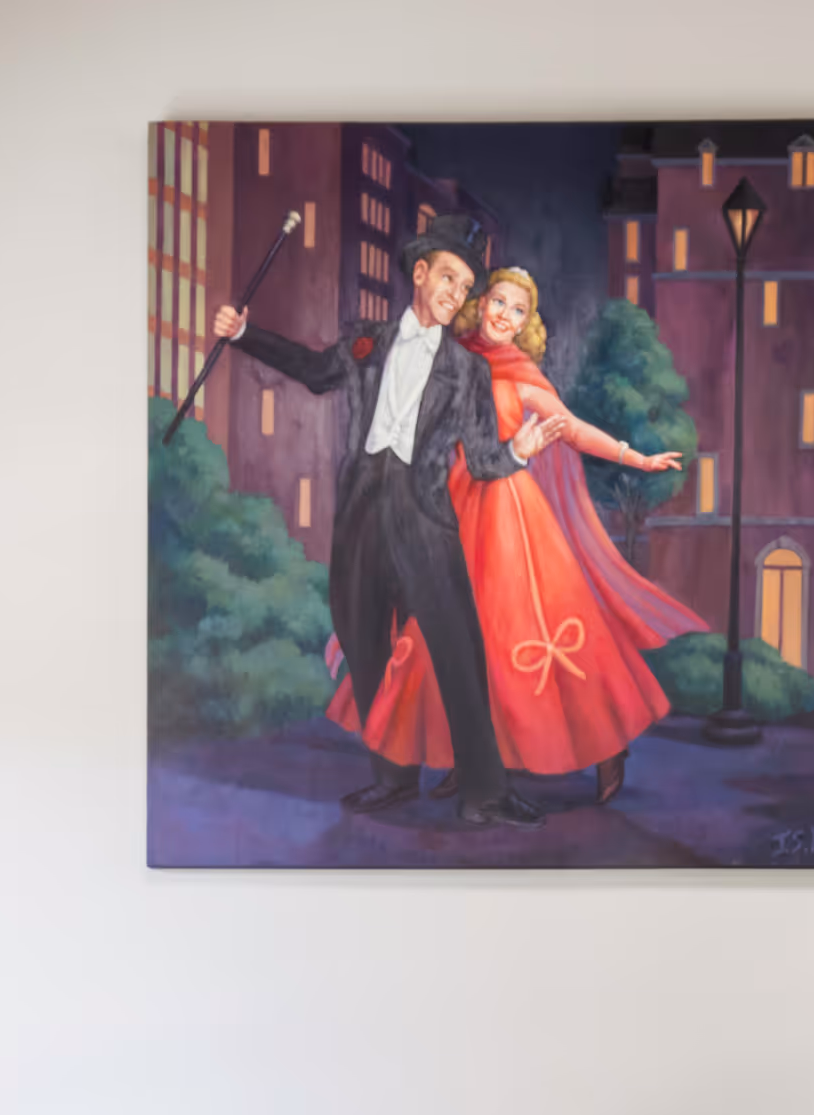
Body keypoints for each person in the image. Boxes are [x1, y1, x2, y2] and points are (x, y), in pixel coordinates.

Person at [213, 217, 564, 829]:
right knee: (363, 639)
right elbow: (313, 370)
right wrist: (245, 334)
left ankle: (485, 791)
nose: (458, 294)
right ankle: (393, 777)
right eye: (449, 278)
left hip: (425, 516)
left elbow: (482, 460)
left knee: (458, 647)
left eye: (466, 286)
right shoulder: (364, 343)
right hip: (361, 511)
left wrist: (519, 452)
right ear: (420, 274)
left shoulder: (468, 371)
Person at [327, 265, 707, 806]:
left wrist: (633, 456)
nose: (505, 315)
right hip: (446, 507)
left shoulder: (519, 371)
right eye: (498, 302)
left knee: (520, 630)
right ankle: (470, 757)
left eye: (518, 309)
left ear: (528, 322)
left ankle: (606, 745)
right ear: (480, 304)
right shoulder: (448, 354)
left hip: (507, 516)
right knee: (450, 641)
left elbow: (569, 429)